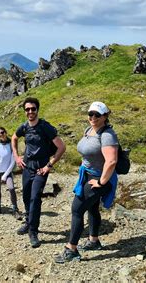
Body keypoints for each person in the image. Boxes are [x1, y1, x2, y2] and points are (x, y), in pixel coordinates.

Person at [54, 101, 119, 263]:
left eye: (97, 115)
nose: (93, 117)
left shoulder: (107, 135)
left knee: (77, 209)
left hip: (99, 178)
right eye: (91, 114)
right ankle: (94, 241)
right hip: (88, 175)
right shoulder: (89, 130)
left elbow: (111, 161)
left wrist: (102, 183)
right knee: (92, 208)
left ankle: (71, 250)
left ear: (105, 116)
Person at [12, 97, 66, 248]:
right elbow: (14, 138)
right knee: (26, 196)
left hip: (41, 169)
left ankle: (33, 232)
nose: (30, 111)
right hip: (27, 166)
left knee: (35, 198)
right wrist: (17, 156)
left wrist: (49, 165)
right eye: (27, 109)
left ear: (37, 110)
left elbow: (61, 147)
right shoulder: (24, 127)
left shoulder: (45, 127)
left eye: (33, 109)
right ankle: (28, 222)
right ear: (25, 111)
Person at [0, 127, 21, 219]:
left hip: (6, 172)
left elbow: (13, 161)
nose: (1, 135)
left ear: (6, 132)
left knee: (11, 188)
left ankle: (15, 209)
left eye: (2, 132)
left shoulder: (12, 144)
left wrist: (5, 175)